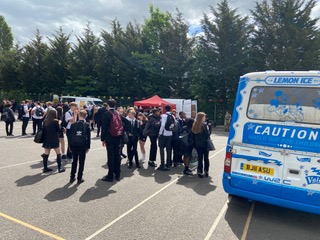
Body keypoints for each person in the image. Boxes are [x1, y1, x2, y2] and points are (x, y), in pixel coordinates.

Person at [101, 99, 123, 182]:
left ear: (108, 105)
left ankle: (110, 175)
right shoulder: (118, 113)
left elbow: (104, 127)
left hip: (110, 137)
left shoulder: (107, 114)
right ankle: (117, 174)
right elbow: (126, 122)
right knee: (117, 156)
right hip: (118, 137)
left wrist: (103, 139)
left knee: (111, 156)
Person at [69, 110, 91, 184]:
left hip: (74, 144)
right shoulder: (87, 125)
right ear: (85, 116)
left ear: (79, 115)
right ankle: (79, 177)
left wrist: (70, 146)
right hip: (82, 145)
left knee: (74, 160)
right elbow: (88, 137)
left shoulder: (73, 124)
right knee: (81, 161)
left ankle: (72, 176)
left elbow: (70, 136)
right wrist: (88, 147)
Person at [41, 109, 65, 173]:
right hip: (54, 139)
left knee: (46, 154)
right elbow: (58, 130)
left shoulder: (45, 121)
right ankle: (59, 168)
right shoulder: (55, 121)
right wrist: (59, 124)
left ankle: (45, 168)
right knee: (58, 153)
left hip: (46, 139)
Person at [192, 112, 210, 178]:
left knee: (199, 158)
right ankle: (206, 171)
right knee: (206, 158)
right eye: (204, 117)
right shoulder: (204, 125)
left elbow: (193, 135)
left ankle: (199, 171)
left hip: (197, 144)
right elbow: (207, 134)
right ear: (201, 118)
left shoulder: (195, 125)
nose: (205, 118)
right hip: (204, 144)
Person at [158, 105, 174, 171]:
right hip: (170, 134)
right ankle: (168, 163)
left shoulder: (164, 116)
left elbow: (163, 125)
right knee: (168, 149)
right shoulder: (172, 116)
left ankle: (162, 164)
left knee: (161, 149)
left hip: (164, 134)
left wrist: (160, 133)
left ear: (165, 109)